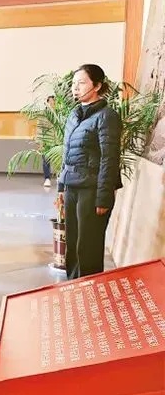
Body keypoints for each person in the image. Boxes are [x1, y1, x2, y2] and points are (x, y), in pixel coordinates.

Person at [56, 64, 121, 280]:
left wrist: (103, 197)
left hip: (92, 190)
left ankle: (89, 290)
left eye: (81, 83)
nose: (75, 88)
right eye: (73, 83)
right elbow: (66, 153)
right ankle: (73, 288)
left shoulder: (107, 116)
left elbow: (109, 159)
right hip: (72, 186)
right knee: (72, 244)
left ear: (97, 85)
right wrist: (61, 187)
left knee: (88, 245)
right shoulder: (74, 115)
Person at [42, 95, 55, 187]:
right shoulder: (44, 115)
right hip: (46, 141)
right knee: (46, 161)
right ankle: (47, 178)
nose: (52, 103)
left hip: (57, 141)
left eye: (53, 102)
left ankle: (60, 178)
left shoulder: (59, 114)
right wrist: (40, 142)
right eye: (50, 101)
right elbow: (40, 130)